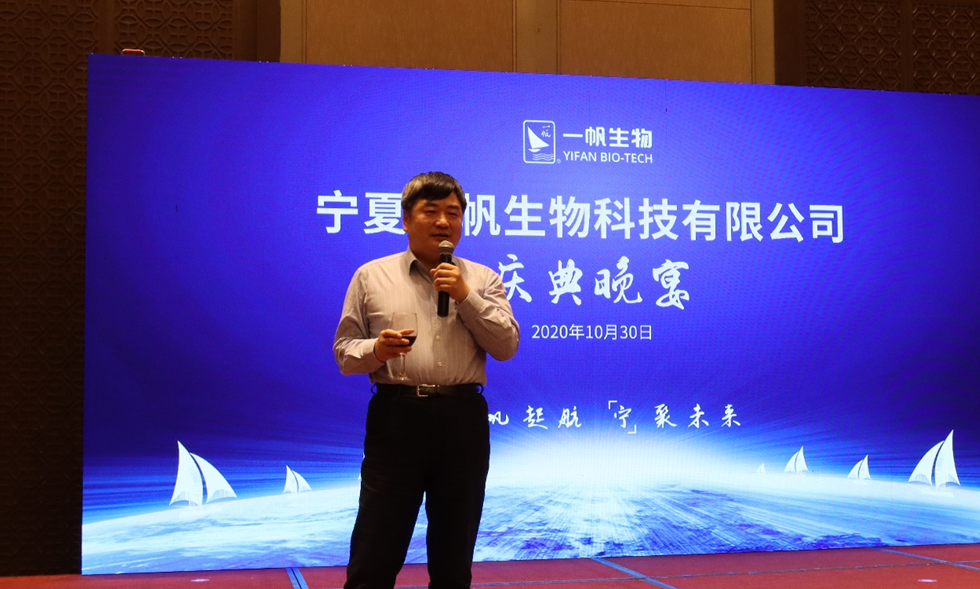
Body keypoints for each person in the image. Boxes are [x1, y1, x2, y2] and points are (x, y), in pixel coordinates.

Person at [334, 172, 520, 589]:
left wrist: (466, 296)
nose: (443, 222)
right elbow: (345, 353)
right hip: (396, 417)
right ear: (405, 219)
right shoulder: (371, 276)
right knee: (375, 552)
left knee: (454, 556)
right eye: (431, 211)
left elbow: (506, 345)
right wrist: (377, 350)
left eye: (453, 213)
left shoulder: (483, 279)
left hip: (462, 419)